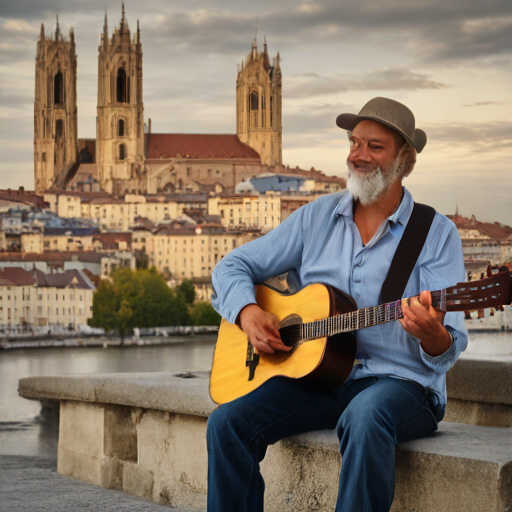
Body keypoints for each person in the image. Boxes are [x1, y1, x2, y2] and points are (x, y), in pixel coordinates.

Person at [207, 97, 468, 512]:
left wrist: (433, 336)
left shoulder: (435, 233)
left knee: (365, 416)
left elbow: (449, 345)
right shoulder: (317, 217)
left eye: (374, 147)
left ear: (406, 161)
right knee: (227, 422)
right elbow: (231, 266)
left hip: (403, 386)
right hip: (322, 379)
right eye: (354, 143)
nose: (357, 156)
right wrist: (248, 311)